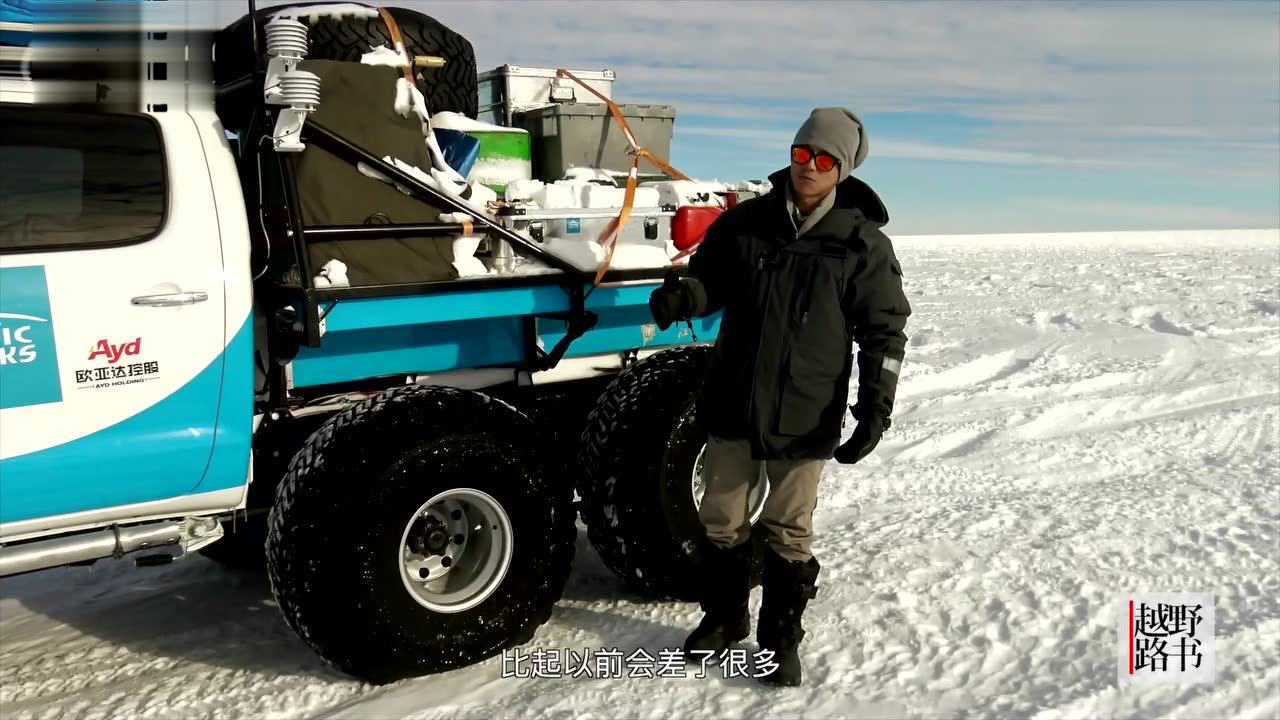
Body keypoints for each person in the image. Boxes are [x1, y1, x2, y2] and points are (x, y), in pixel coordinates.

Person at [648, 107, 911, 687]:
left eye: (823, 159)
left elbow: (884, 332)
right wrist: (684, 297)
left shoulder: (860, 241)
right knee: (721, 519)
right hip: (735, 398)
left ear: (841, 168)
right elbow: (709, 279)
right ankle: (723, 620)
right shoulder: (748, 223)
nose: (809, 167)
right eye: (801, 154)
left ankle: (779, 642)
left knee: (788, 530)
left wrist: (874, 410)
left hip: (804, 409)